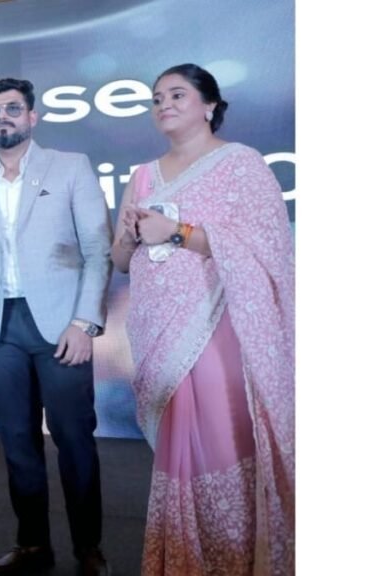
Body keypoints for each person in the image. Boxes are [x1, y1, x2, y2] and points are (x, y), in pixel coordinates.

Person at [110, 63, 294, 576]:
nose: (163, 104)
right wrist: (131, 234)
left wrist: (176, 231)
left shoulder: (241, 164)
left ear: (209, 105)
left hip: (217, 327)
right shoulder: (142, 175)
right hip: (157, 330)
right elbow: (120, 260)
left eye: (177, 95)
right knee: (178, 447)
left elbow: (266, 245)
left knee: (219, 440)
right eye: (156, 98)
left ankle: (235, 557)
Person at [0, 78, 112, 576]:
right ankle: (33, 545)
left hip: (63, 325)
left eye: (13, 109)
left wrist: (85, 322)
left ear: (32, 116)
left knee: (74, 439)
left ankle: (88, 548)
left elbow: (97, 250)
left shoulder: (70, 167)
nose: (3, 117)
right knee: (18, 443)